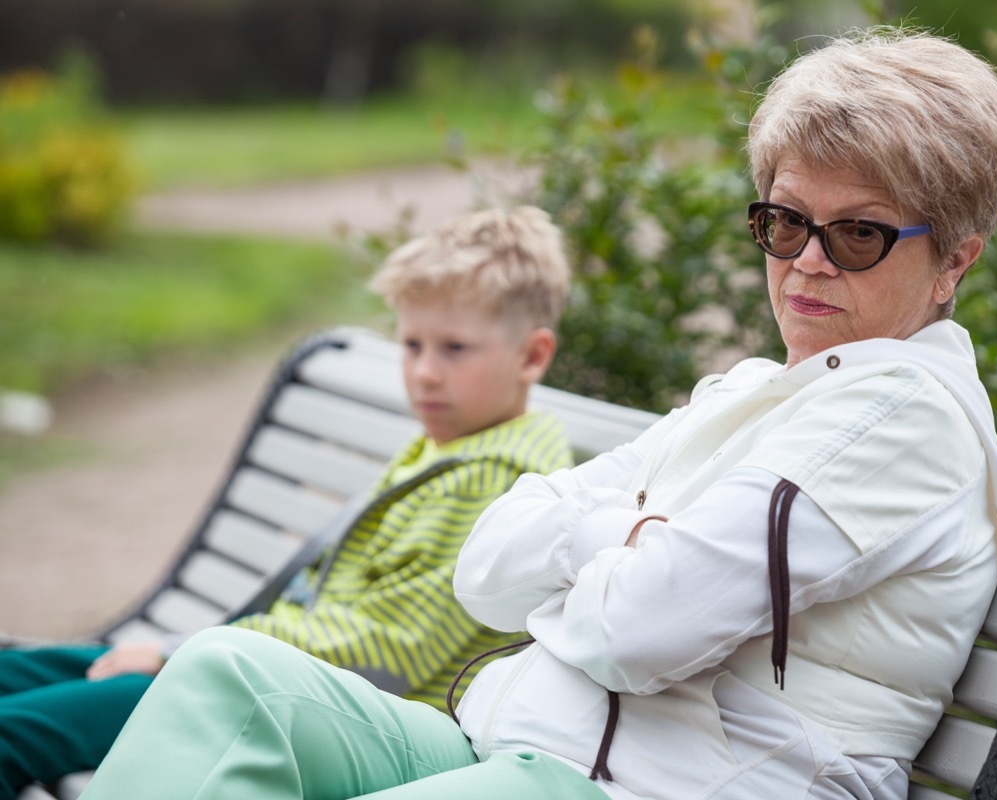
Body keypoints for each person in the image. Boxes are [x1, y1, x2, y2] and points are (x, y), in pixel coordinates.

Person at [77, 27, 997, 800]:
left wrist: (596, 551)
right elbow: (485, 570)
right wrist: (632, 534)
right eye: (785, 220)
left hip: (654, 786)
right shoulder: (753, 392)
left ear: (956, 256)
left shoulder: (900, 413)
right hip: (518, 751)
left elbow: (641, 633)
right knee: (230, 678)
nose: (807, 261)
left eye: (861, 234)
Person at [0, 205, 574, 800]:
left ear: (532, 356)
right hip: (271, 667)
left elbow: (386, 649)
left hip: (324, 707)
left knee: (10, 734)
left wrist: (174, 654)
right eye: (411, 345)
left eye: (454, 349)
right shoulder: (457, 442)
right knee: (12, 674)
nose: (424, 373)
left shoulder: (496, 479)